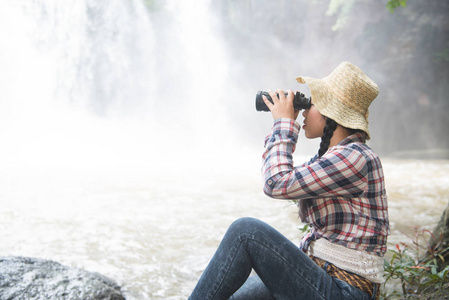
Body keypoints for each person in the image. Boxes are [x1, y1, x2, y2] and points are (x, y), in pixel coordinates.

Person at [188, 61, 389, 300]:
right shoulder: (335, 157)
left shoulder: (355, 158)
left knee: (246, 232)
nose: (304, 111)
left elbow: (276, 183)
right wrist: (282, 126)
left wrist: (283, 123)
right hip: (322, 276)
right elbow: (282, 178)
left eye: (311, 104)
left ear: (331, 114)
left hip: (344, 291)